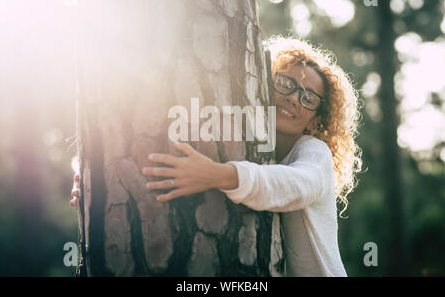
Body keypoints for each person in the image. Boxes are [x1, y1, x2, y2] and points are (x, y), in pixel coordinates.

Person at [70, 36, 362, 277]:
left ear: (315, 119)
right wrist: (94, 180)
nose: (294, 98)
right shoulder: (258, 146)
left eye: (309, 97)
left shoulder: (314, 153)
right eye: (285, 83)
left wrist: (214, 174)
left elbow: (295, 185)